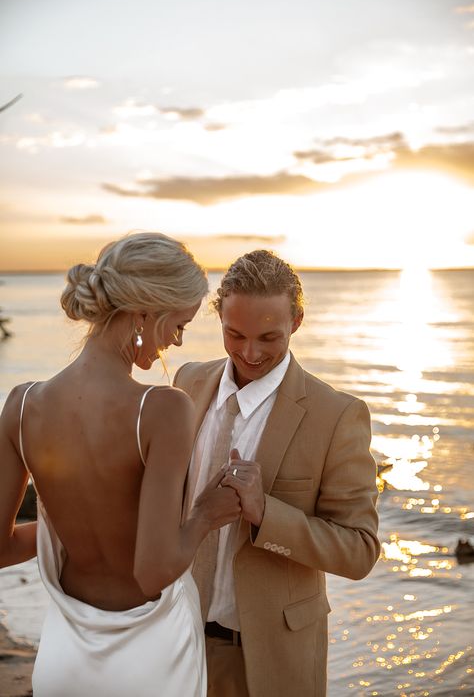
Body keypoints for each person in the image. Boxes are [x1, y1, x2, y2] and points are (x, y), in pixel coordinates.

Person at [0, 232, 241, 697]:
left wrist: (78, 520)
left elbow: (1, 548)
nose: (176, 340)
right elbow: (153, 571)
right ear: (144, 313)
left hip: (64, 661)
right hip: (151, 660)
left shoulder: (21, 405)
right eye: (178, 324)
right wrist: (205, 516)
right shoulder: (162, 409)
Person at [174, 250, 380, 697]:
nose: (250, 353)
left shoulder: (337, 415)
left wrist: (266, 512)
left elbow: (360, 550)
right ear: (219, 318)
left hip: (271, 661)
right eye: (235, 334)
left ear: (297, 321)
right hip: (175, 644)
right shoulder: (187, 382)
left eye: (269, 337)